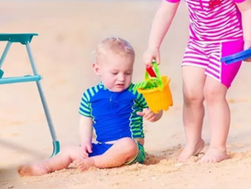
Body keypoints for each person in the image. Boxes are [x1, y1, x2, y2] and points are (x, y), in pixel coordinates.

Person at [143, 0, 251, 164]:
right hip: (198, 43)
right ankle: (194, 141)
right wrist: (153, 45)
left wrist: (250, 41)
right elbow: (165, 13)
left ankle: (218, 146)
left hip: (229, 43)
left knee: (213, 92)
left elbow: (249, 9)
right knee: (192, 93)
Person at [18, 37, 162, 176]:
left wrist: (154, 114)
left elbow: (157, 108)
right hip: (102, 147)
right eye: (114, 73)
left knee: (127, 144)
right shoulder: (90, 95)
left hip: (130, 151)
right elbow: (86, 120)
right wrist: (86, 141)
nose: (121, 78)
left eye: (128, 72)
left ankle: (95, 162)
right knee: (69, 150)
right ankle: (46, 165)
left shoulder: (137, 92)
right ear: (97, 69)